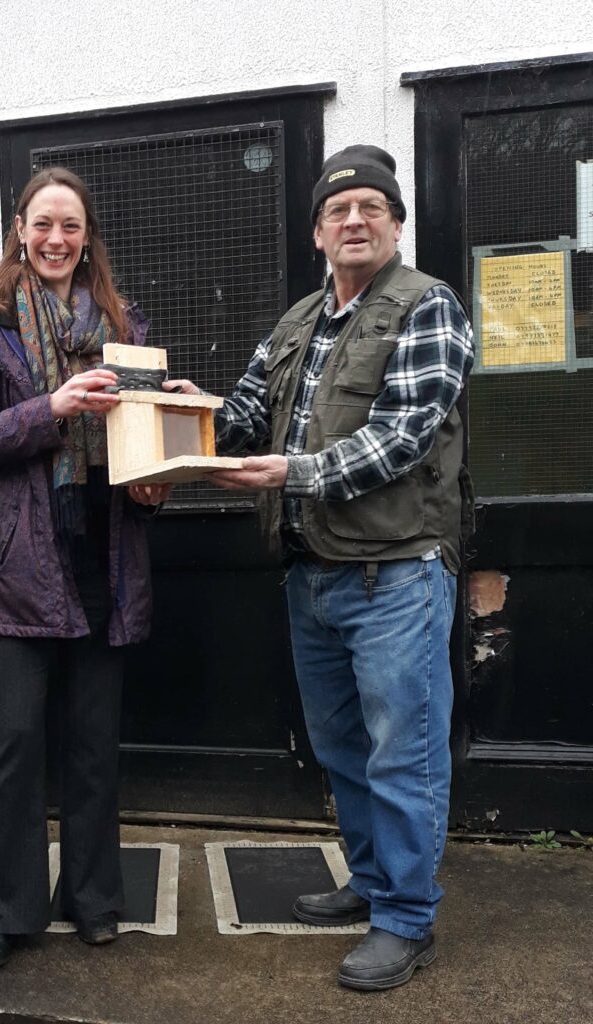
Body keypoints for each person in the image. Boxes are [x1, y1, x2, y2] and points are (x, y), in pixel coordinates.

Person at [163, 145, 475, 991]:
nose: (354, 220)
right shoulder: (298, 321)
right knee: (342, 749)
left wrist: (292, 472)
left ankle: (407, 921)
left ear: (397, 224)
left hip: (398, 573)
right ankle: (373, 884)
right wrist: (175, 417)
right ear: (317, 233)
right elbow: (245, 412)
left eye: (372, 207)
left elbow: (403, 436)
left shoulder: (427, 306)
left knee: (401, 752)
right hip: (312, 571)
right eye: (339, 210)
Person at [0, 167, 168, 969]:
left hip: (101, 560)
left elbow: (143, 444)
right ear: (19, 229)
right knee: (14, 745)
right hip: (17, 569)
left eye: (70, 226)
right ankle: (3, 913)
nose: (56, 239)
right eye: (43, 224)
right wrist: (55, 407)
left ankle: (95, 900)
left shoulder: (123, 323)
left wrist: (156, 474)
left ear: (87, 237)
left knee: (92, 745)